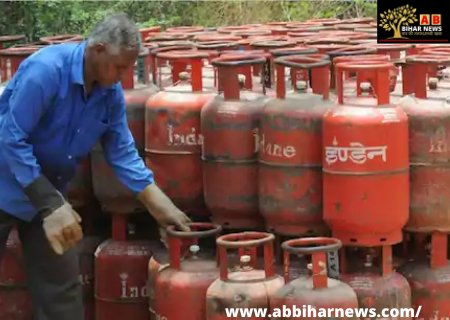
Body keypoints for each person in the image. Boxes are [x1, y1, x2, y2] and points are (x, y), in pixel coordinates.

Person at [0, 13, 191, 320]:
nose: (122, 74)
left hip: (47, 198)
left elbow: (121, 151)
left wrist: (160, 205)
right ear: (97, 49)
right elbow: (10, 137)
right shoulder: (46, 71)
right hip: (8, 182)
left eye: (128, 67)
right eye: (118, 66)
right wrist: (49, 203)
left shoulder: (109, 93)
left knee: (61, 291)